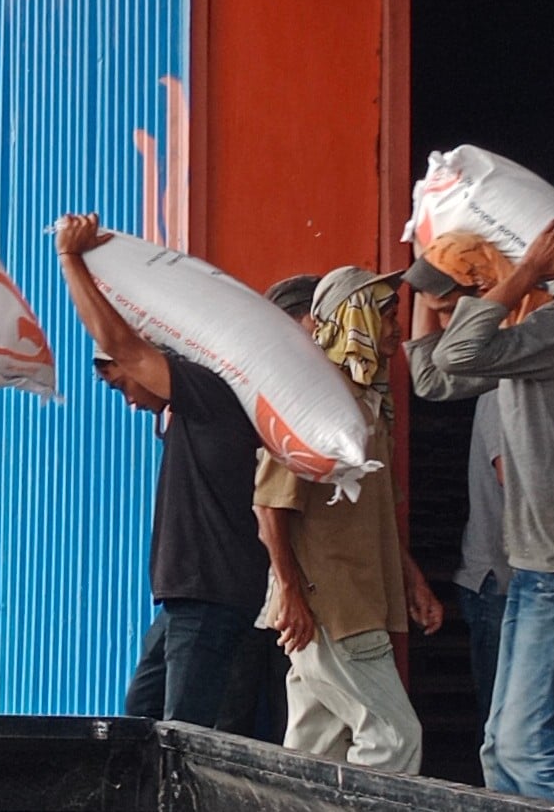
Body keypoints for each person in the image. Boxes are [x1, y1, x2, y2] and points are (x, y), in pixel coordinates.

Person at [402, 220, 554, 807]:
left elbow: (458, 351)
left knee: (531, 750)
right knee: (502, 751)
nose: (450, 307)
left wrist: (525, 271)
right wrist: (425, 294)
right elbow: (432, 379)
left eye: (458, 294)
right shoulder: (518, 341)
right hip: (540, 567)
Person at [57, 212, 267, 727]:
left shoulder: (207, 392)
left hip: (210, 594)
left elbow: (124, 345)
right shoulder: (188, 412)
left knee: (180, 734)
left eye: (121, 385)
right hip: (187, 598)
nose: (128, 399)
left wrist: (70, 260)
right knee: (143, 711)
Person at [253, 265, 442, 773]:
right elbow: (270, 505)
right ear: (352, 320)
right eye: (385, 315)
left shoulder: (367, 404)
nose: (395, 328)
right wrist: (292, 593)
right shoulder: (314, 398)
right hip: (332, 605)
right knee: (394, 738)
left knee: (315, 752)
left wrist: (412, 580)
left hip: (352, 601)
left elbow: (374, 512)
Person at [215, 273, 320, 744]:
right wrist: (290, 589)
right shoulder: (266, 393)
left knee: (287, 716)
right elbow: (267, 506)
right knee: (237, 716)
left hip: (280, 589)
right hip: (255, 585)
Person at [454, 391, 507, 726]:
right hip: (498, 576)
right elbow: (510, 476)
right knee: (502, 718)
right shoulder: (501, 393)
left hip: (511, 576)